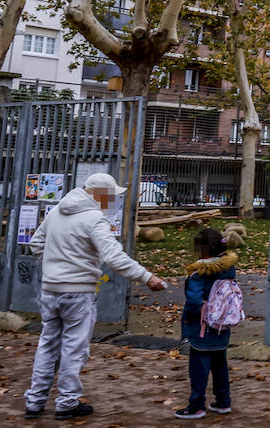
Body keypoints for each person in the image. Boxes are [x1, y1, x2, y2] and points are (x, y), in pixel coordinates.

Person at [24, 172, 167, 420]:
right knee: (74, 348)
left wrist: (55, 267)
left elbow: (36, 244)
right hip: (78, 293)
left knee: (47, 344)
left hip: (50, 290)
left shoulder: (57, 212)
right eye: (111, 196)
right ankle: (67, 402)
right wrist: (147, 277)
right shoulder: (94, 219)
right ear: (100, 195)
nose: (113, 201)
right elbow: (114, 257)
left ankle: (35, 402)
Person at [175, 226, 245, 420]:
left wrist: (188, 318)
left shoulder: (200, 272)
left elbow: (195, 300)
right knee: (219, 364)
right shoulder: (228, 270)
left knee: (199, 366)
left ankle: (196, 405)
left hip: (202, 327)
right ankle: (223, 401)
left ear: (202, 249)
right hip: (222, 326)